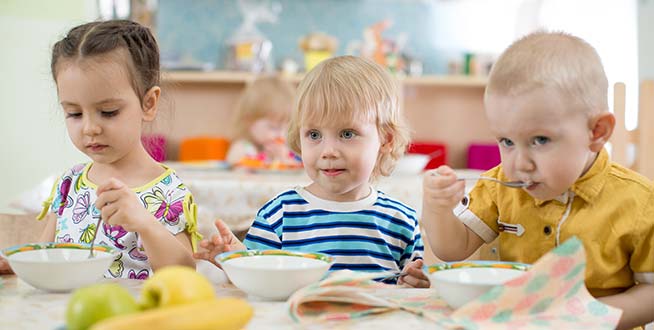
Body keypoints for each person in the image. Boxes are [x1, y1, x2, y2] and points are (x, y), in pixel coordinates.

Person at [422, 31, 653, 328]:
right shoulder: (499, 186)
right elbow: (453, 249)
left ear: (596, 132)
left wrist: (586, 317)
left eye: (540, 140)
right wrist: (438, 208)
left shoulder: (639, 202)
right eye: (506, 141)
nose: (519, 163)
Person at [196, 56, 429, 288]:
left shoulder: (402, 221)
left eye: (347, 134)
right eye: (314, 135)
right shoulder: (279, 215)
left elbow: (410, 288)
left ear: (385, 140)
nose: (328, 151)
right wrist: (236, 258)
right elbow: (258, 281)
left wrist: (413, 283)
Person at [0, 20, 200, 279]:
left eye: (108, 112)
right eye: (74, 113)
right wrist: (17, 264)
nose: (89, 128)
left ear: (148, 104)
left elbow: (184, 273)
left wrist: (145, 224)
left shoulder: (167, 192)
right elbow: (45, 253)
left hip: (134, 317)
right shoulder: (69, 183)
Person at [225, 75, 300, 167]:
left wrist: (281, 159)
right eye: (273, 127)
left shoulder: (286, 150)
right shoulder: (242, 148)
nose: (281, 135)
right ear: (249, 121)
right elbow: (236, 171)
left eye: (287, 128)